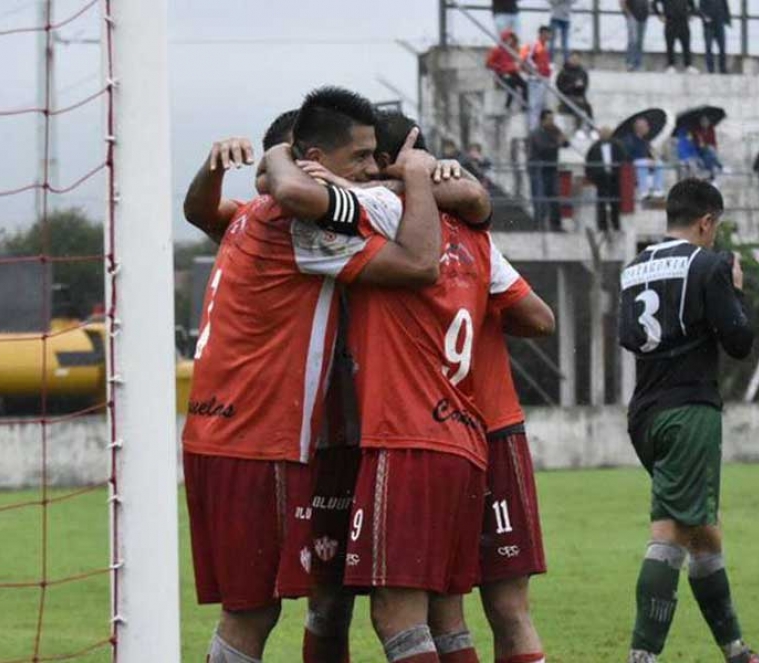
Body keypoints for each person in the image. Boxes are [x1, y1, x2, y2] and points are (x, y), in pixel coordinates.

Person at [181, 87, 443, 663]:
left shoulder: (252, 216)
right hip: (256, 439)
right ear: (313, 162)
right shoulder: (306, 224)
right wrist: (421, 178)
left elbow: (200, 211)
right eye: (362, 157)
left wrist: (220, 167)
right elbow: (422, 264)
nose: (375, 168)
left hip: (214, 433)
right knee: (251, 612)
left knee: (264, 606)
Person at [340, 113, 554, 663]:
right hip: (487, 432)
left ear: (393, 159)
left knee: (406, 611)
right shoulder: (473, 235)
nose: (363, 167)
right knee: (481, 610)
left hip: (422, 430)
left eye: (369, 157)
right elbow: (537, 318)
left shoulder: (383, 221)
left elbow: (312, 193)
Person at [618, 179, 759, 663]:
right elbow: (739, 342)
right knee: (670, 533)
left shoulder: (633, 269)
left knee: (704, 529)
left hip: (644, 413)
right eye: (716, 227)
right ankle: (641, 657)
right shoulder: (708, 265)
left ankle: (737, 653)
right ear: (706, 222)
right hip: (689, 411)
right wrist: (735, 293)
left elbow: (632, 338)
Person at [474, 294, 555, 663]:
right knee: (432, 610)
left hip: (493, 429)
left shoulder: (478, 250)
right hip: (421, 438)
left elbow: (541, 320)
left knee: (507, 606)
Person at [528, 109, 569, 230]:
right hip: (539, 169)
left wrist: (563, 139)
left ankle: (555, 224)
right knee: (540, 197)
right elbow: (543, 148)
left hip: (551, 167)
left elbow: (566, 144)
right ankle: (539, 225)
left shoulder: (555, 131)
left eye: (552, 119)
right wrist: (558, 143)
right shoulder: (537, 133)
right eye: (549, 119)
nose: (552, 122)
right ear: (542, 120)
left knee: (554, 196)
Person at [586, 128, 627, 231]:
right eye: (602, 133)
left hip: (614, 177)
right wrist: (593, 178)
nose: (604, 135)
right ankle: (602, 226)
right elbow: (589, 164)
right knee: (601, 203)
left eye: (606, 133)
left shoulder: (617, 146)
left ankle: (616, 225)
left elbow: (624, 159)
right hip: (601, 178)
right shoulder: (594, 148)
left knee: (615, 203)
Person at [622, 117, 666, 201]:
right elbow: (626, 155)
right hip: (632, 165)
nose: (648, 128)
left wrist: (653, 158)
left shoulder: (645, 141)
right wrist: (645, 160)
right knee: (642, 162)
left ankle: (658, 190)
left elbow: (649, 155)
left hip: (644, 164)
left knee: (659, 163)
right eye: (646, 126)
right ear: (639, 128)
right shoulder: (629, 139)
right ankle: (643, 192)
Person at [521, 25, 554, 130]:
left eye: (549, 34)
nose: (548, 36)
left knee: (542, 106)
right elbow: (525, 57)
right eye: (546, 33)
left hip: (544, 78)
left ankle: (540, 128)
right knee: (534, 105)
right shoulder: (534, 44)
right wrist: (535, 70)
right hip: (536, 80)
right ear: (541, 34)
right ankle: (533, 128)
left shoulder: (546, 47)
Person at [487, 29, 529, 111]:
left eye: (511, 39)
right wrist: (499, 67)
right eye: (509, 38)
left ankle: (524, 106)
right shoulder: (497, 50)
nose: (510, 40)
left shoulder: (511, 50)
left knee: (525, 85)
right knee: (512, 84)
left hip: (513, 72)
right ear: (504, 39)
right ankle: (507, 106)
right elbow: (488, 63)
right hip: (503, 73)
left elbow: (518, 58)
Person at [652, 0, 698, 74]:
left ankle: (688, 65)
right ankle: (671, 66)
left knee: (686, 44)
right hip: (670, 21)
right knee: (670, 45)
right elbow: (654, 3)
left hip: (683, 21)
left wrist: (691, 14)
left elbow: (692, 5)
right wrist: (659, 15)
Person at [556, 51, 595, 136]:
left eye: (577, 59)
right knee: (578, 104)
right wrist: (573, 85)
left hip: (579, 96)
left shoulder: (582, 72)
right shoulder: (563, 72)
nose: (575, 61)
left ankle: (592, 129)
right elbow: (560, 87)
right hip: (566, 98)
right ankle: (578, 129)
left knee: (588, 107)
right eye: (573, 59)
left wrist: (580, 86)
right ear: (569, 59)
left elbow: (585, 86)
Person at [699, 0, 731, 74]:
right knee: (708, 47)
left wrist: (728, 20)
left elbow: (725, 7)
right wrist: (705, 17)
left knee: (722, 47)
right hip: (708, 25)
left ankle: (723, 69)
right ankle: (710, 69)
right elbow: (700, 9)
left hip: (719, 24)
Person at [692, 115, 724, 181]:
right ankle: (718, 165)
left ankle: (712, 173)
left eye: (706, 121)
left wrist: (714, 148)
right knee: (709, 153)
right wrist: (700, 143)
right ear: (700, 123)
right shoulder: (697, 131)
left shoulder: (711, 129)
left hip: (709, 150)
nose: (705, 123)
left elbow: (714, 141)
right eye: (703, 121)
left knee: (709, 155)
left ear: (708, 122)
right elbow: (695, 143)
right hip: (700, 150)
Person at [622, 0, 651, 71]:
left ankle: (638, 63)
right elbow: (622, 2)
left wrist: (648, 10)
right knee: (633, 40)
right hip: (632, 15)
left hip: (643, 16)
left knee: (640, 41)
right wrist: (627, 13)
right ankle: (630, 62)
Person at [548, 0, 575, 64]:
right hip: (556, 17)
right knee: (552, 40)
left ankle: (566, 62)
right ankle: (550, 61)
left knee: (564, 42)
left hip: (565, 18)